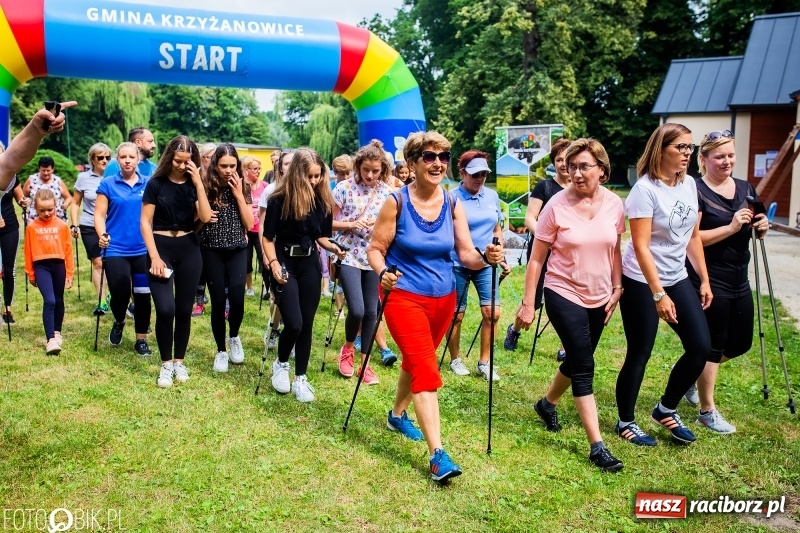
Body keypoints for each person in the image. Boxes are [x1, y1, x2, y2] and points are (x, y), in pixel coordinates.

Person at [367, 131, 504, 483]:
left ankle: (397, 415)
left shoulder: (452, 202)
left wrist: (486, 257)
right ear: (412, 163)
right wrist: (383, 273)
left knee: (416, 361)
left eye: (443, 157)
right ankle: (437, 455)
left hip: (444, 298)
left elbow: (466, 254)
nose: (438, 163)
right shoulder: (396, 202)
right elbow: (375, 249)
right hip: (403, 296)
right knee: (426, 369)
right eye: (429, 157)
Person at [515, 138, 626, 471]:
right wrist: (528, 303)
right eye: (571, 166)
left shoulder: (615, 204)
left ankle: (547, 403)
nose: (576, 173)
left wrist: (617, 286)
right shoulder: (556, 205)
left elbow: (615, 249)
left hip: (601, 294)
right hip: (562, 291)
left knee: (580, 357)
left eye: (584, 167)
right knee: (584, 365)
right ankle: (597, 447)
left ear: (602, 170)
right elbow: (537, 260)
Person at [615, 123, 712, 447]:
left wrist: (704, 279)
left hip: (678, 276)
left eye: (689, 147)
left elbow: (693, 236)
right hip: (641, 280)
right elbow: (641, 246)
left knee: (700, 346)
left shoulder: (689, 184)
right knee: (640, 351)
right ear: (661, 149)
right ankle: (625, 421)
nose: (687, 153)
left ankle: (665, 409)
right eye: (680, 147)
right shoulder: (645, 190)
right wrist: (658, 294)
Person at [686, 130, 769, 433]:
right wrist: (732, 228)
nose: (727, 161)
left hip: (739, 276)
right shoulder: (694, 190)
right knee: (714, 343)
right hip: (708, 278)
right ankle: (706, 411)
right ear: (704, 159)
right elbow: (692, 238)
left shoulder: (746, 187)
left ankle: (689, 373)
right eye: (719, 156)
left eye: (731, 155)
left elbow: (754, 225)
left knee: (741, 343)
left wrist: (761, 226)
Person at [263, 148, 344, 402]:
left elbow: (322, 236)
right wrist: (273, 263)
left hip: (309, 263)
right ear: (297, 173)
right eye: (309, 176)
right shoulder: (278, 199)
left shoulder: (323, 201)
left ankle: (300, 377)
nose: (314, 181)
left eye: (318, 176)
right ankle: (281, 364)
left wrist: (334, 247)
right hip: (284, 261)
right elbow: (267, 238)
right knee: (294, 323)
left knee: (307, 324)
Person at [141, 136, 212, 387]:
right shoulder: (156, 184)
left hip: (189, 249)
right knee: (165, 309)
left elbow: (205, 216)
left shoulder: (194, 184)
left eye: (187, 162)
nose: (182, 166)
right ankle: (165, 364)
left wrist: (199, 183)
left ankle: (179, 362)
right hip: (160, 247)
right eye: (178, 161)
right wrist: (154, 256)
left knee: (183, 310)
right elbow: (145, 222)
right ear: (169, 157)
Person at [332, 140, 395, 384]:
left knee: (371, 311)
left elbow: (392, 226)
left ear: (383, 170)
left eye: (375, 171)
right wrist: (352, 224)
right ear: (358, 166)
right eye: (365, 169)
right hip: (347, 254)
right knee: (357, 309)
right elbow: (326, 224)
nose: (369, 175)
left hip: (373, 256)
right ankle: (348, 349)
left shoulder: (387, 193)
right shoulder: (344, 188)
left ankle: (365, 364)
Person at [504, 137, 571, 357]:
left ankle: (566, 346)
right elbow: (530, 218)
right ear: (554, 163)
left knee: (567, 299)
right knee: (533, 297)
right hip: (542, 250)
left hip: (568, 253)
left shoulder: (579, 189)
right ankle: (514, 329)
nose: (563, 164)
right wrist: (547, 238)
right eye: (559, 160)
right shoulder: (545, 187)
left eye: (567, 159)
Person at [446, 150, 509, 380]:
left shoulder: (492, 196)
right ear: (462, 173)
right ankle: (455, 359)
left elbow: (496, 229)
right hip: (457, 263)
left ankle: (485, 362)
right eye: (475, 174)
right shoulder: (451, 198)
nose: (480, 178)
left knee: (492, 313)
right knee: (456, 315)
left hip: (486, 263)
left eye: (484, 174)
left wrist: (500, 255)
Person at [197, 143, 254, 372]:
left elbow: (249, 223)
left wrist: (238, 194)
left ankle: (234, 336)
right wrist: (203, 216)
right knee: (218, 301)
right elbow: (197, 221)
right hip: (211, 249)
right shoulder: (206, 185)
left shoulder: (242, 185)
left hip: (237, 248)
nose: (228, 170)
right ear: (215, 164)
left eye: (232, 165)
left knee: (238, 299)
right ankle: (221, 350)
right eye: (223, 166)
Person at [95, 142, 153, 356]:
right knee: (120, 294)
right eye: (123, 157)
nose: (127, 161)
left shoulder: (149, 183)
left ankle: (141, 340)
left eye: (131, 157)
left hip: (143, 249)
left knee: (143, 296)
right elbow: (99, 215)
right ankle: (119, 320)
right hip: (116, 249)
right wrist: (102, 235)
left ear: (138, 159)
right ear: (117, 160)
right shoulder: (108, 184)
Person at [24, 189, 74, 354]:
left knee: (58, 300)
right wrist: (31, 273)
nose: (46, 213)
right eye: (42, 210)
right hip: (41, 267)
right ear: (35, 208)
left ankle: (57, 331)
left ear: (56, 205)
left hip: (59, 265)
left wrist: (70, 273)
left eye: (50, 209)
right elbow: (28, 251)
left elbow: (68, 251)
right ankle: (50, 339)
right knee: (50, 300)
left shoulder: (62, 226)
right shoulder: (31, 227)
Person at [71, 143, 113, 315]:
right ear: (92, 160)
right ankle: (101, 301)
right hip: (89, 224)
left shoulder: (115, 176)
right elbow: (75, 203)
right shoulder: (83, 178)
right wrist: (74, 224)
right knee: (98, 262)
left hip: (111, 225)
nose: (104, 160)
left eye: (107, 157)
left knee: (112, 263)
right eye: (100, 157)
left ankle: (113, 294)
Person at [259, 150, 295, 348]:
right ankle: (274, 327)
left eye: (294, 163)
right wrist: (266, 254)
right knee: (279, 296)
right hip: (276, 249)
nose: (291, 167)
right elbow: (263, 225)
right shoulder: (271, 190)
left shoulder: (305, 189)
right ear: (280, 167)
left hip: (297, 253)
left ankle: (292, 334)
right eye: (287, 163)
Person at [0, 102, 74, 193]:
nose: (46, 173)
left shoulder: (57, 180)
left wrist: (36, 129)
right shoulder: (32, 179)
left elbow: (8, 164)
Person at [0, 142, 31, 324]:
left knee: (8, 269)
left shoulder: (11, 176)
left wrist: (23, 202)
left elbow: (20, 198)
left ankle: (8, 308)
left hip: (9, 227)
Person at [191, 143, 218, 317]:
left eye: (215, 157)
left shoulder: (220, 176)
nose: (213, 161)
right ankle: (199, 302)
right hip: (197, 228)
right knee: (199, 268)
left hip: (217, 228)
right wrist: (203, 214)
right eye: (209, 157)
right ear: (201, 158)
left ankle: (224, 303)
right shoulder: (195, 177)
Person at [242, 156, 267, 296]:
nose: (257, 171)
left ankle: (265, 287)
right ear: (246, 170)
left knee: (263, 257)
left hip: (260, 229)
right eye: (254, 169)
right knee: (246, 259)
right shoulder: (242, 187)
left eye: (259, 169)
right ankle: (249, 287)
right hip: (247, 229)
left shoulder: (265, 186)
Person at [23, 156, 71, 223]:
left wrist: (66, 203)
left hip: (56, 218)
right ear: (39, 169)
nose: (46, 173)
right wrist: (25, 204)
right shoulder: (31, 180)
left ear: (53, 169)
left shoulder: (58, 181)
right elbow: (23, 196)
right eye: (43, 170)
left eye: (48, 170)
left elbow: (68, 197)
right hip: (35, 219)